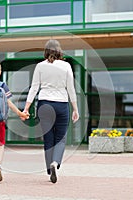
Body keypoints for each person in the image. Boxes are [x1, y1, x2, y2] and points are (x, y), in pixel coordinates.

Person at [23, 39, 79, 183]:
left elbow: (34, 88)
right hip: (61, 104)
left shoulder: (40, 66)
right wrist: (75, 108)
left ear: (46, 51)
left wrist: (26, 107)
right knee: (60, 138)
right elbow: (71, 89)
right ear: (59, 51)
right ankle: (55, 162)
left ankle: (49, 169)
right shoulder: (66, 66)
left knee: (48, 138)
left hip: (44, 104)